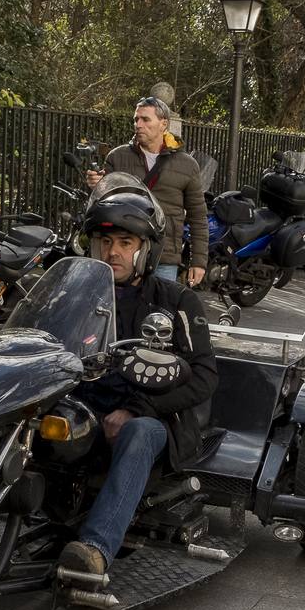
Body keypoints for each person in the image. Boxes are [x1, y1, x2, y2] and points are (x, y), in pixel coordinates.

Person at [58, 175, 219, 575]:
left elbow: (204, 376)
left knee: (138, 433)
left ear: (145, 250)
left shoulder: (176, 300)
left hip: (156, 417)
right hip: (82, 406)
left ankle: (95, 549)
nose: (113, 252)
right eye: (105, 242)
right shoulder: (77, 296)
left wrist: (137, 408)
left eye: (125, 244)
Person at [86, 96, 208, 287]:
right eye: (136, 119)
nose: (138, 124)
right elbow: (103, 205)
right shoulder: (117, 157)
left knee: (158, 311)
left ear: (163, 124)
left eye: (145, 119)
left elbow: (198, 217)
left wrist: (198, 262)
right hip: (122, 253)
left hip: (164, 255)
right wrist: (97, 185)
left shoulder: (187, 165)